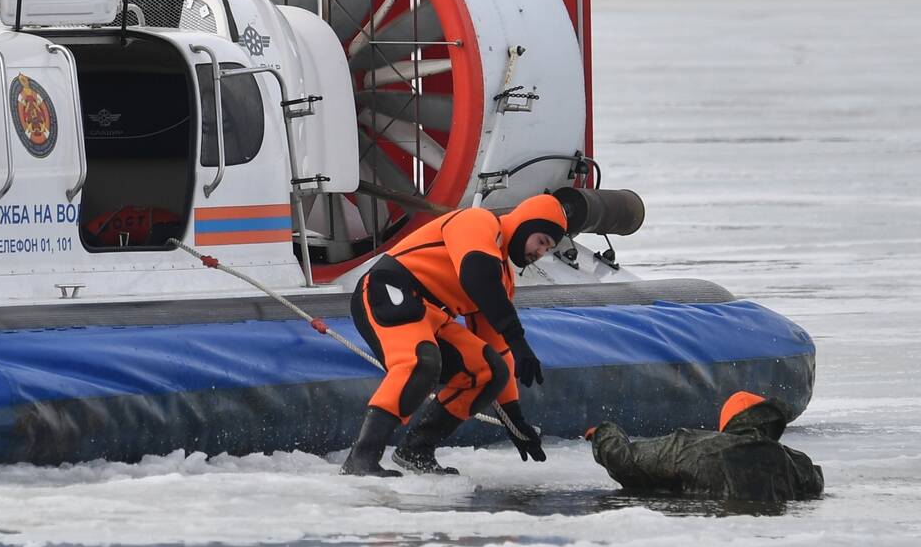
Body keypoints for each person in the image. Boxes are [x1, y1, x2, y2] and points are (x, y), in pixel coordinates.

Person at [341, 194, 568, 477]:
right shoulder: (478, 221)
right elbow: (476, 273)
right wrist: (518, 338)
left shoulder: (503, 278)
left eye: (548, 248)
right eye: (541, 240)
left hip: (431, 316)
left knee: (488, 370)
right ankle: (361, 459)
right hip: (389, 290)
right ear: (524, 225)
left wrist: (515, 420)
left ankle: (417, 449)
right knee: (420, 362)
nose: (541, 252)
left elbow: (497, 350)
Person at [586, 391, 824, 501]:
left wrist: (605, 433)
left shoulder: (690, 447)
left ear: (727, 423)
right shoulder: (795, 463)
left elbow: (623, 459)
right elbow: (815, 483)